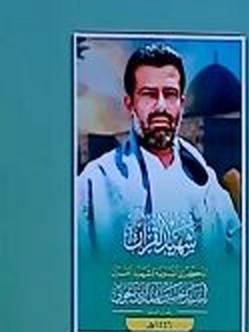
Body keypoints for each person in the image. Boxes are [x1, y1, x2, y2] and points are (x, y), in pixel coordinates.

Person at [76, 42, 240, 264]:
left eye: (170, 94)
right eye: (149, 95)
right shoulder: (95, 186)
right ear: (130, 104)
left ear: (182, 104)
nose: (161, 106)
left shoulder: (208, 188)